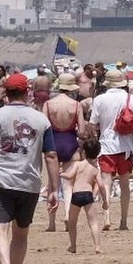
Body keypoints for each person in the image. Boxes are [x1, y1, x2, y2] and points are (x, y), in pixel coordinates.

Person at [0, 72, 61, 264]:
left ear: (6, 93)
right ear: (27, 92)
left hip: (2, 180)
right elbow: (51, 155)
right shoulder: (41, 119)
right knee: (21, 233)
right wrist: (54, 189)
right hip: (29, 183)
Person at [88, 68, 133, 231]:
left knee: (106, 184)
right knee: (125, 186)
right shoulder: (132, 99)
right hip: (126, 147)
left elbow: (92, 124)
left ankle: (107, 216)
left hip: (106, 145)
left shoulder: (99, 99)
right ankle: (123, 221)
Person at [43, 73, 85, 231]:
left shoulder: (48, 104)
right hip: (70, 141)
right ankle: (67, 214)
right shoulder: (76, 105)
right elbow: (81, 131)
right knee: (69, 184)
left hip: (53, 142)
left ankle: (52, 223)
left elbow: (44, 127)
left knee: (52, 184)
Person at [60, 140, 105, 254]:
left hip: (76, 194)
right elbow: (101, 185)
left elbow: (70, 176)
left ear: (84, 152)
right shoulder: (95, 169)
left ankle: (73, 246)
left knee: (72, 222)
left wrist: (60, 173)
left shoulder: (78, 164)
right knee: (93, 222)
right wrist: (105, 200)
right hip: (88, 195)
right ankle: (97, 246)